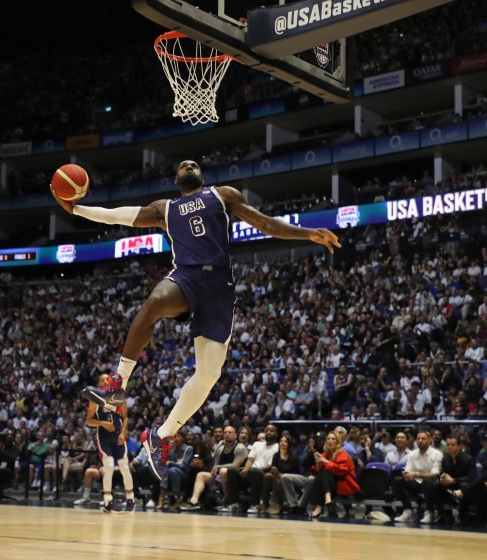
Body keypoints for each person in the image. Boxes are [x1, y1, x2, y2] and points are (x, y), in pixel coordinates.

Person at [53, 160, 341, 480]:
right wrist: (77, 210)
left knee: (207, 377)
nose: (189, 164)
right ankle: (117, 385)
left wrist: (308, 233)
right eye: (182, 164)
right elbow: (119, 215)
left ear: (200, 176)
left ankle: (161, 437)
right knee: (156, 301)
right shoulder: (165, 208)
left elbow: (265, 224)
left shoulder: (222, 195)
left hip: (218, 289)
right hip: (187, 278)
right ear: (177, 178)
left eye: (194, 164)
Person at [86, 373, 135, 513]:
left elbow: (125, 418)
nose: (106, 381)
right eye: (102, 380)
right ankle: (108, 502)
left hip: (117, 436)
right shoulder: (94, 400)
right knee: (108, 466)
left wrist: (123, 433)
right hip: (104, 437)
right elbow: (89, 421)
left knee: (124, 466)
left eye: (108, 379)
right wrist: (102, 423)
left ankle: (130, 499)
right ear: (99, 384)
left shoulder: (120, 397)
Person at [304, 431, 359, 518]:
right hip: (329, 484)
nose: (330, 441)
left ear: (337, 442)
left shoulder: (342, 453)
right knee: (322, 473)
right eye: (328, 439)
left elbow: (342, 471)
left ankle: (320, 506)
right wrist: (318, 462)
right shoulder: (325, 454)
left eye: (333, 439)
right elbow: (317, 472)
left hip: (344, 482)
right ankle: (326, 501)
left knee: (326, 470)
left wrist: (325, 461)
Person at [392, 431, 443, 523]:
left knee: (427, 481)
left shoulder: (437, 454)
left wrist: (416, 474)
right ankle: (408, 511)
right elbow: (407, 471)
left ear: (429, 440)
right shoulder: (412, 454)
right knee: (398, 480)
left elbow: (435, 474)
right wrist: (408, 475)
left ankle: (429, 512)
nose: (420, 441)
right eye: (418, 439)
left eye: (423, 439)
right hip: (416, 482)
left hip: (432, 484)